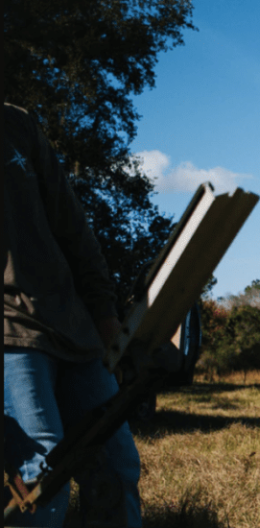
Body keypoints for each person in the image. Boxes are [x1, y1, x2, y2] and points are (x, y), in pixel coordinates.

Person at [3, 103, 142, 527]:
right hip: (9, 335)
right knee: (40, 473)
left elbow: (72, 225)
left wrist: (104, 312)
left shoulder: (17, 122)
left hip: (73, 328)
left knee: (116, 464)